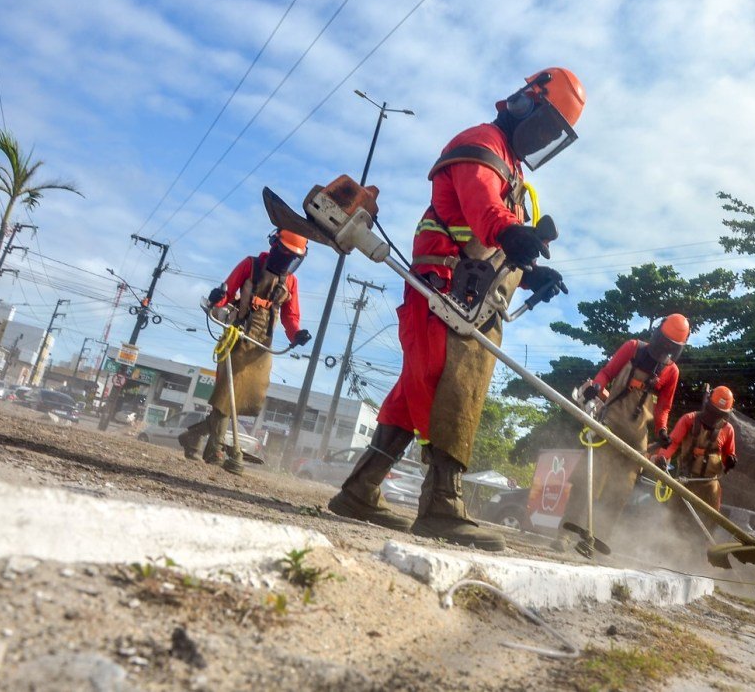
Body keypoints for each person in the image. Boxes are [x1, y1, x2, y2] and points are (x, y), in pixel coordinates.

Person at [328, 67, 583, 551]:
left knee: (416, 390)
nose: (544, 139)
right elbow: (484, 209)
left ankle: (359, 490)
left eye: (555, 135)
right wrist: (510, 231)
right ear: (525, 104)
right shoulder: (481, 143)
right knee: (453, 386)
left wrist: (530, 273)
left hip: (471, 294)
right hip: (444, 287)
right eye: (547, 126)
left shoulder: (513, 167)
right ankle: (441, 506)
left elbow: (499, 242)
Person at [178, 230, 312, 472]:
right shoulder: (250, 265)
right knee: (226, 395)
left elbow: (290, 317)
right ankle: (216, 451)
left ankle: (194, 436)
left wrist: (297, 334)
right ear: (274, 246)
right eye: (284, 254)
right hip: (237, 335)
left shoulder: (291, 282)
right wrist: (217, 298)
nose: (287, 261)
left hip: (262, 345)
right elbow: (226, 294)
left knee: (246, 398)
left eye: (293, 258)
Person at [559, 314, 689, 548]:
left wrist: (661, 429)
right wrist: (597, 386)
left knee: (620, 490)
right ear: (658, 335)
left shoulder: (672, 371)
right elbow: (607, 372)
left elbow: (664, 407)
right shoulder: (633, 348)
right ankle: (565, 534)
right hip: (610, 424)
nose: (665, 350)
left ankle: (597, 540)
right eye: (664, 344)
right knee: (588, 479)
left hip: (637, 437)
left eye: (671, 348)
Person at [652, 384, 738, 525]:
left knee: (709, 525)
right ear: (708, 404)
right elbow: (672, 442)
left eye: (719, 414)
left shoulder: (728, 430)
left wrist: (730, 461)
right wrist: (662, 457)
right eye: (713, 411)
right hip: (685, 480)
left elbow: (728, 454)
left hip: (710, 485)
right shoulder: (689, 419)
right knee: (674, 523)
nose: (715, 416)